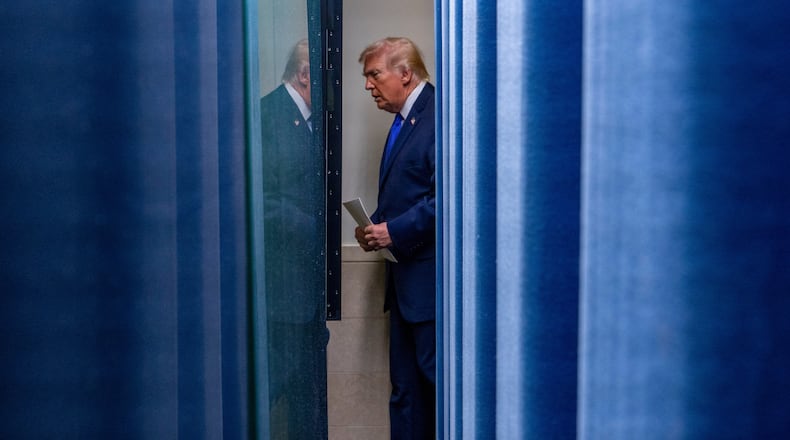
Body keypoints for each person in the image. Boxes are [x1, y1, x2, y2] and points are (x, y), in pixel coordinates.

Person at [356, 37, 436, 439]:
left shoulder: (438, 116)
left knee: (435, 389)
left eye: (374, 74)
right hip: (404, 285)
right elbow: (412, 193)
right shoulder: (405, 119)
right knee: (405, 393)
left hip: (430, 288)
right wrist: (375, 229)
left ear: (405, 74)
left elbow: (450, 200)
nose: (368, 85)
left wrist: (395, 230)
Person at [260, 39, 327, 439]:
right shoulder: (269, 115)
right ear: (305, 74)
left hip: (305, 293)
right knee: (273, 387)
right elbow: (260, 199)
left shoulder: (304, 118)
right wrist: (314, 226)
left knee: (307, 397)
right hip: (282, 291)